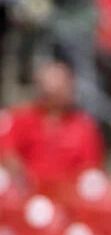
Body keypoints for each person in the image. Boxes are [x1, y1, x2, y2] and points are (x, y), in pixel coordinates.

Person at [0, 60, 104, 191]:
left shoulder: (84, 126)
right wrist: (23, 178)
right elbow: (8, 153)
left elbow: (90, 169)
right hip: (25, 193)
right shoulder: (21, 118)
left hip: (68, 196)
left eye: (67, 86)